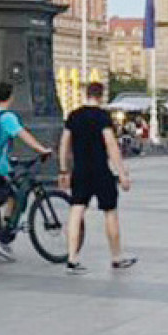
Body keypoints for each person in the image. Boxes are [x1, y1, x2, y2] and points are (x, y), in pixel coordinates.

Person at [59, 81, 136, 274]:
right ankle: (116, 257)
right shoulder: (103, 117)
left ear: (86, 94)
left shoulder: (74, 116)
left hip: (81, 170)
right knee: (110, 212)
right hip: (101, 170)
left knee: (76, 212)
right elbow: (111, 145)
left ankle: (72, 258)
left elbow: (64, 144)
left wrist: (63, 170)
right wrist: (122, 173)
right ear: (101, 96)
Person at [0, 81, 51, 261]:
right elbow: (23, 135)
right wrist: (41, 149)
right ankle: (2, 240)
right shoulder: (7, 117)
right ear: (11, 96)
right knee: (15, 195)